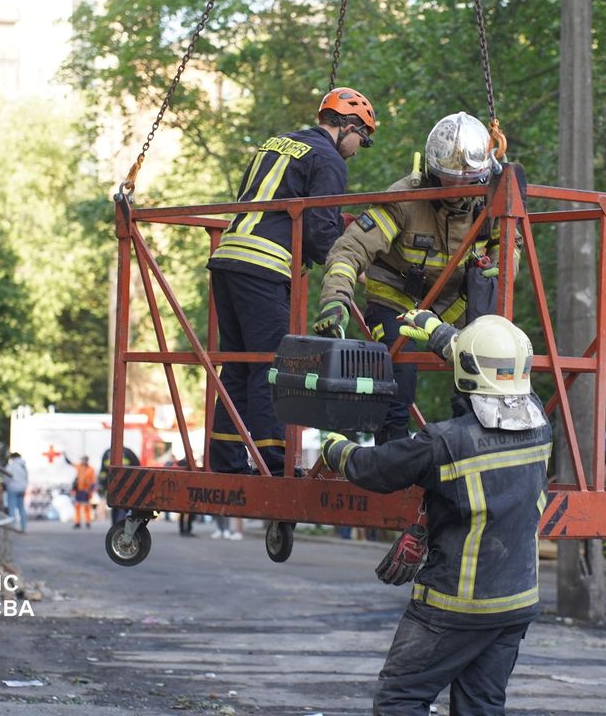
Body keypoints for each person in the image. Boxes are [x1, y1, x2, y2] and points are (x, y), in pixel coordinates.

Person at [319, 311, 550, 713]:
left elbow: (373, 469)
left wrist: (335, 448)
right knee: (481, 704)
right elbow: (497, 376)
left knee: (401, 698)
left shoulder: (445, 442)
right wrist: (443, 335)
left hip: (455, 605)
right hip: (516, 603)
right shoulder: (539, 421)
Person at [313, 112, 525, 444]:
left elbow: (511, 240)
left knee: (484, 368)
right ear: (430, 170)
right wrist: (336, 299)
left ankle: (475, 444)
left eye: (464, 180)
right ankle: (391, 453)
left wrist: (502, 267)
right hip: (395, 302)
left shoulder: (490, 201)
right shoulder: (405, 199)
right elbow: (350, 249)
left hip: (451, 308)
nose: (455, 190)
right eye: (446, 179)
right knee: (400, 369)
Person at [207, 87, 377, 473]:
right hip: (263, 268)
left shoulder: (275, 145)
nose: (357, 148)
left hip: (227, 260)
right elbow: (321, 228)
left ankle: (225, 460)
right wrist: (350, 270)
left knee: (237, 364)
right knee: (273, 365)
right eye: (361, 139)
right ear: (348, 126)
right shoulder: (329, 159)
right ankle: (275, 462)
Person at [99, 446, 141, 524]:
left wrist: (102, 485)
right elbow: (138, 469)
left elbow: (103, 472)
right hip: (127, 487)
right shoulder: (129, 453)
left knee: (115, 506)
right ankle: (120, 525)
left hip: (113, 486)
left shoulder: (107, 452)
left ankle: (116, 525)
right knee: (124, 507)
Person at [2, 452, 29, 533]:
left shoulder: (11, 466)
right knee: (21, 509)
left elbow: (6, 478)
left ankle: (12, 528)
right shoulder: (23, 466)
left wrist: (7, 485)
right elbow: (26, 478)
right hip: (22, 488)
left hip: (12, 488)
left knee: (12, 509)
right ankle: (23, 528)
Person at [69, 455, 97, 529]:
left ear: (87, 460)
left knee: (86, 507)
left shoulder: (91, 469)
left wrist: (90, 490)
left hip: (86, 491)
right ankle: (77, 522)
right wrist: (65, 456)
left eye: (84, 460)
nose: (82, 461)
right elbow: (70, 463)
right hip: (79, 490)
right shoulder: (79, 467)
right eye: (82, 460)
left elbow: (93, 481)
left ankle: (88, 522)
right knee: (77, 506)